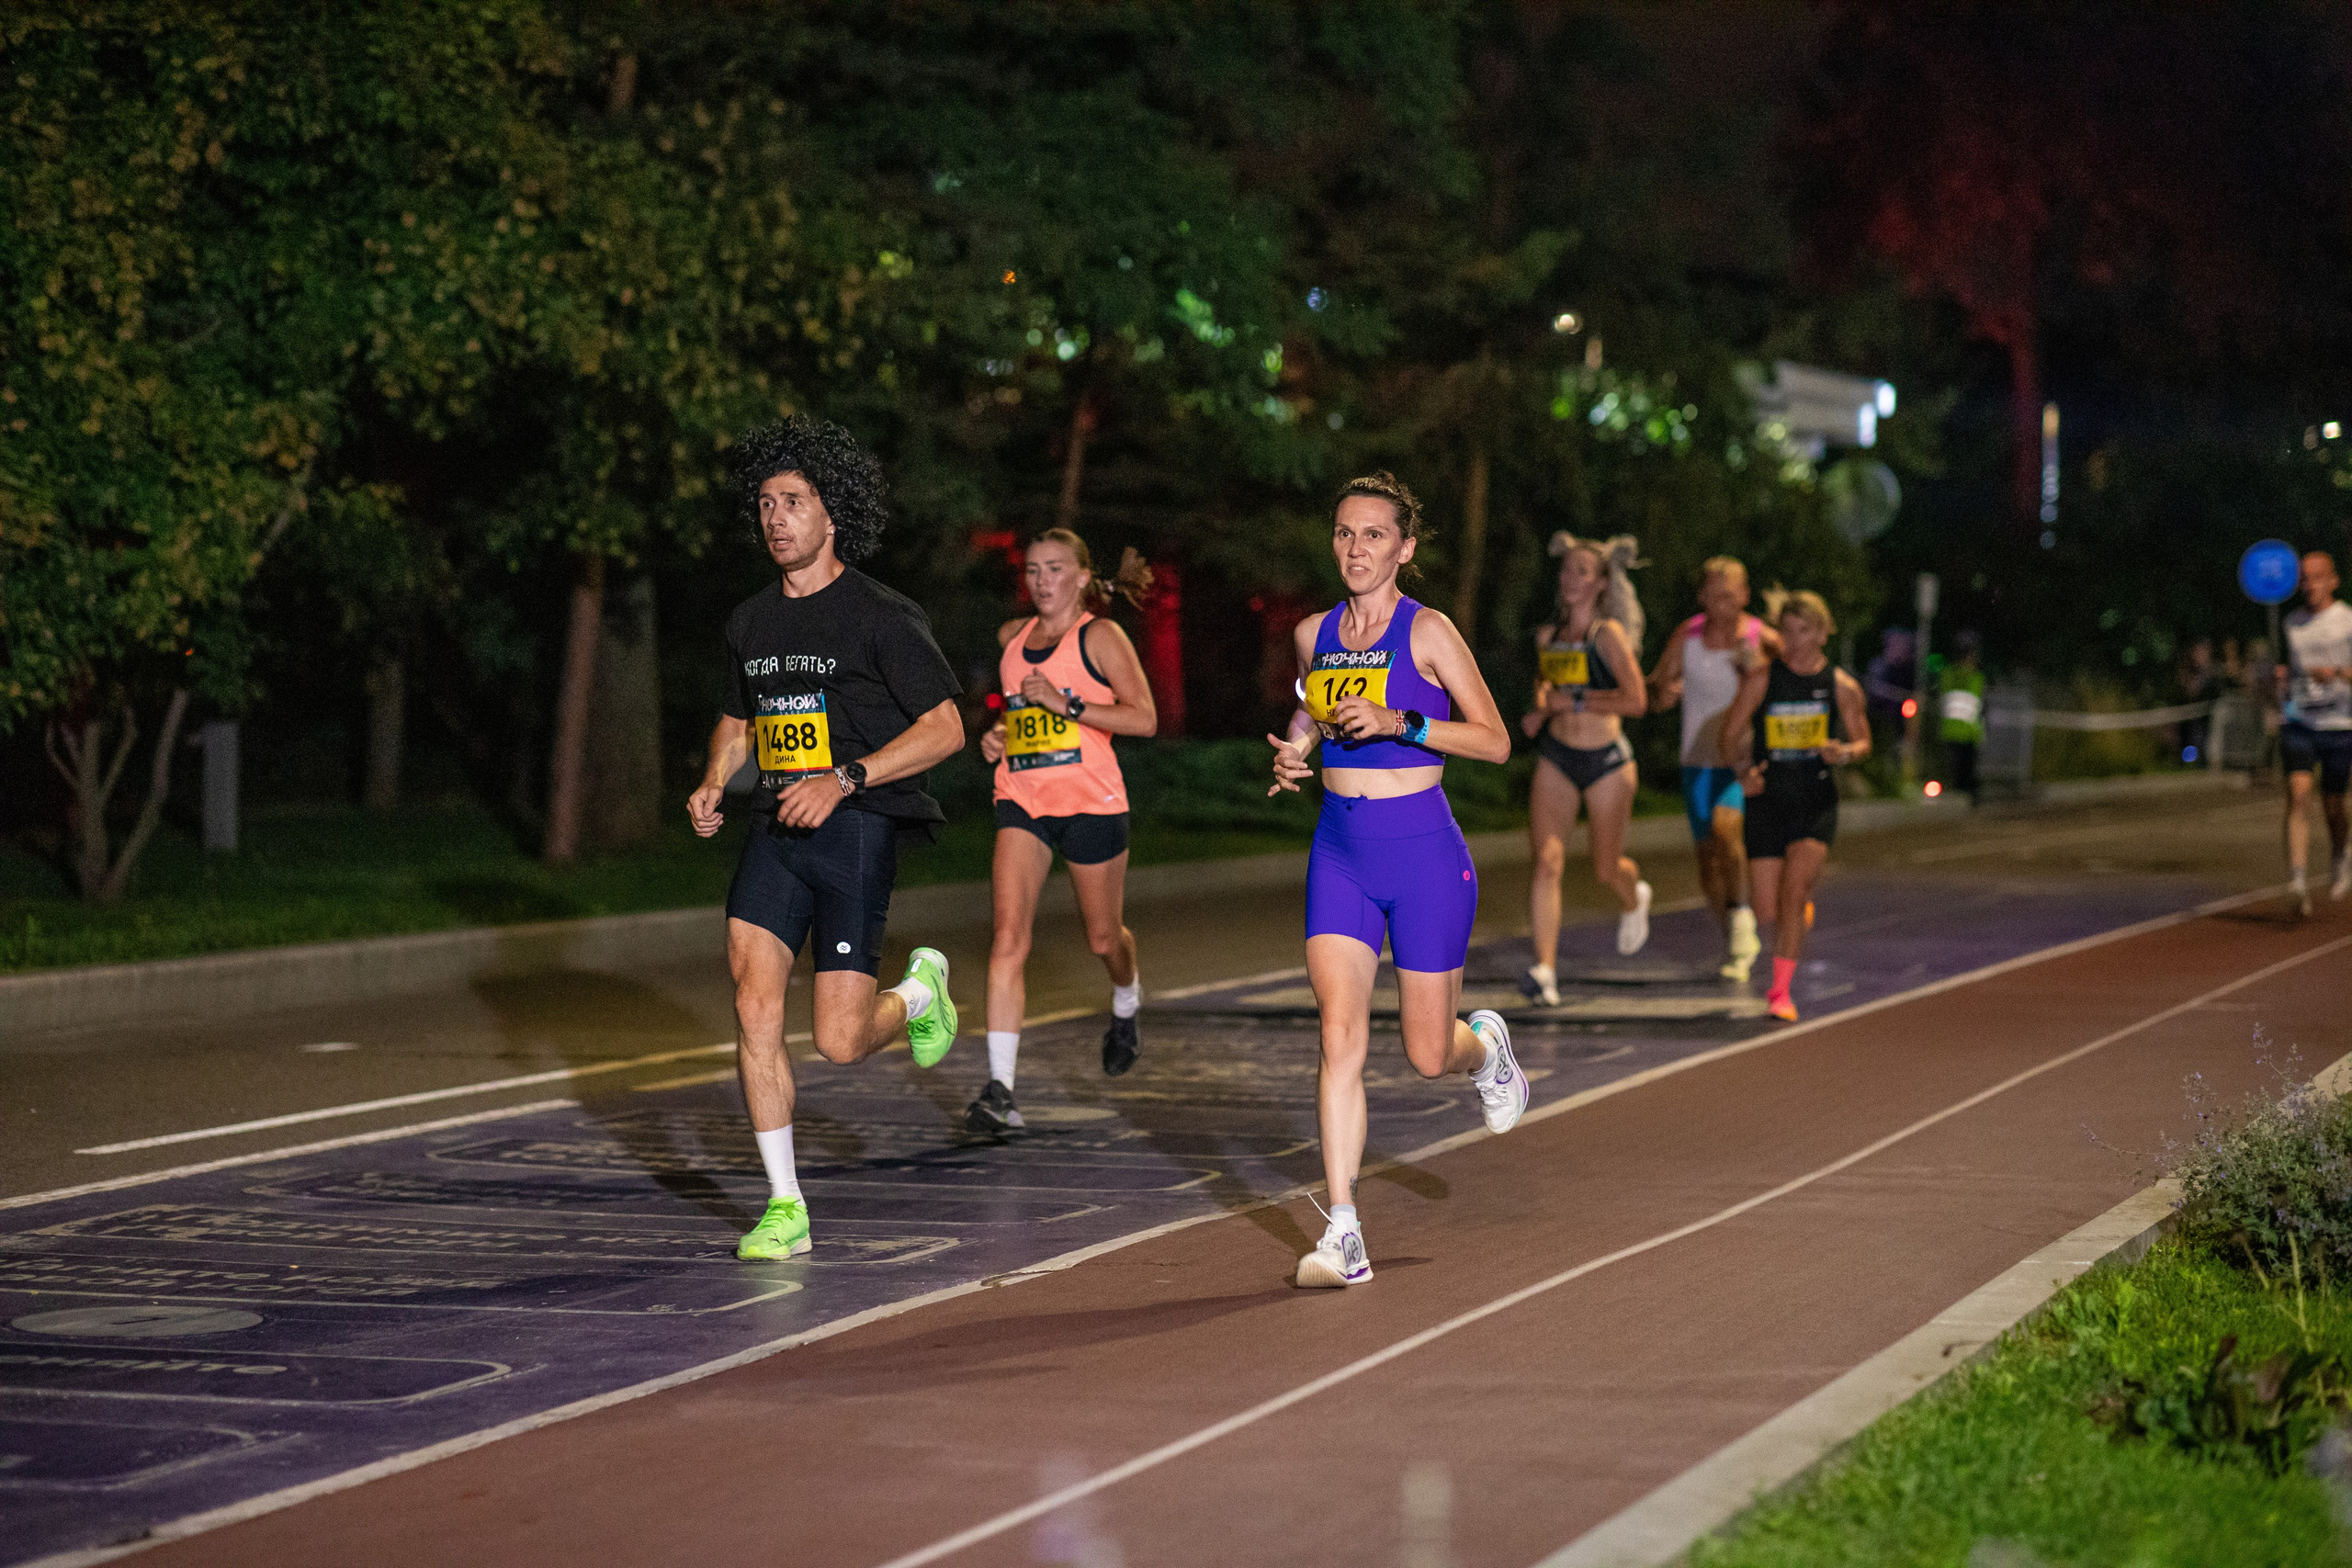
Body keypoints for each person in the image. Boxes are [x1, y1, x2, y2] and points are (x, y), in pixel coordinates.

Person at [687, 416, 967, 1261]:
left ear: (830, 513)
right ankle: (785, 1204)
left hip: (854, 826)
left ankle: (920, 993)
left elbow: (947, 727)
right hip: (775, 827)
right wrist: (713, 779)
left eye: (795, 502)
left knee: (839, 1041)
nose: (777, 519)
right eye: (767, 503)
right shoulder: (750, 622)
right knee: (750, 998)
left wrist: (845, 778)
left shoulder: (881, 616)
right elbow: (737, 724)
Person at [1267, 472, 1522, 1288]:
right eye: (1344, 532)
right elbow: (1312, 704)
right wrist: (1296, 750)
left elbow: (1495, 739)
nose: (1355, 548)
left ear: (1405, 548)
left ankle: (1484, 1049)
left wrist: (1402, 722)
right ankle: (1343, 1229)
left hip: (1422, 853)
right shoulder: (1314, 633)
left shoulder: (1430, 632)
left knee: (1423, 1051)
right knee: (1338, 1034)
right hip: (1339, 849)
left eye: (1373, 535)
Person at [967, 531, 1159, 1134]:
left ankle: (1126, 999)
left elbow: (1145, 718)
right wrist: (995, 736)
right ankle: (1000, 1090)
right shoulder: (1011, 639)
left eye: (1055, 569)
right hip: (1022, 796)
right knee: (1007, 937)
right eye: (1033, 569)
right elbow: (1013, 714)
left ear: (1081, 577)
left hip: (1091, 803)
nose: (1042, 580)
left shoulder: (1100, 636)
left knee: (1104, 938)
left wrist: (1067, 705)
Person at [1721, 591, 1871, 1023]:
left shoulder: (1841, 687)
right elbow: (1730, 734)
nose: (1794, 640)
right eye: (1786, 631)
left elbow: (1863, 742)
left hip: (1815, 801)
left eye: (1803, 631)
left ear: (1823, 633)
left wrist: (1843, 753)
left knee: (1793, 892)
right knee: (1769, 909)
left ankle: (1780, 992)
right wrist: (1741, 772)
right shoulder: (1762, 679)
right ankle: (1796, 912)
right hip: (1768, 801)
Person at [1521, 533, 1652, 1005]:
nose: (1569, 578)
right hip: (1558, 756)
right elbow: (1546, 683)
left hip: (1607, 762)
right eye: (1566, 569)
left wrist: (1573, 700)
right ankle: (1544, 970)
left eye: (1582, 571)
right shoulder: (1548, 636)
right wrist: (1540, 707)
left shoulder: (1607, 636)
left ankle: (1633, 895)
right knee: (1547, 860)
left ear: (1600, 583)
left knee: (1604, 867)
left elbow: (1638, 701)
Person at [1647, 557, 1779, 984]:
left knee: (1727, 833)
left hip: (1739, 760)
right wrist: (1664, 693)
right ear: (1703, 596)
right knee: (1708, 861)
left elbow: (1800, 664)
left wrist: (1762, 666)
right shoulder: (1688, 635)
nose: (1723, 603)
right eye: (1714, 594)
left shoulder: (1760, 637)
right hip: (1697, 759)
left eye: (1731, 594)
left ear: (1744, 594)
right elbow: (1657, 688)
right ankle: (1734, 943)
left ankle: (1742, 918)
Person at [2276, 550, 2352, 914]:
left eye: (2318, 577)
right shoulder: (2291, 623)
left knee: (2333, 806)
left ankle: (2340, 853)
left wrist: (2336, 672)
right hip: (2300, 722)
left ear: (2333, 580)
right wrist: (2278, 680)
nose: (2311, 585)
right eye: (2305, 578)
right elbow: (2283, 675)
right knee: (2299, 793)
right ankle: (2298, 879)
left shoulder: (2347, 620)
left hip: (2340, 724)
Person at [1938, 629, 1986, 801]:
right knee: (1965, 772)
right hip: (1968, 733)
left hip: (1951, 732)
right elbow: (1980, 707)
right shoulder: (1976, 677)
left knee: (1958, 771)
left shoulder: (1947, 675)